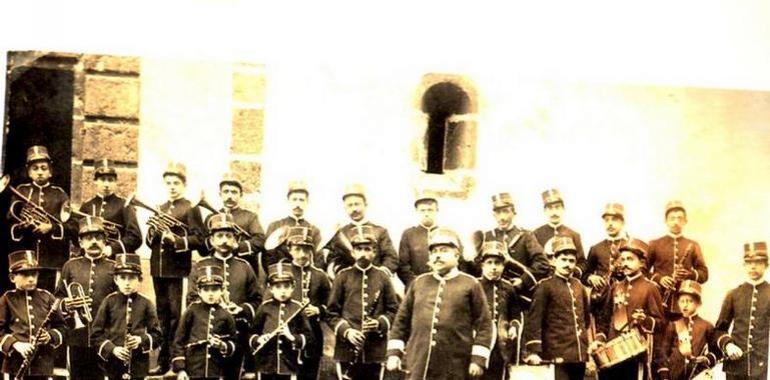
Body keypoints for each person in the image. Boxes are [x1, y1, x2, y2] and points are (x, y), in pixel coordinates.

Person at [386, 227, 494, 379]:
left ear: (457, 255)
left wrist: (478, 359)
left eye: (443, 251)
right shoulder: (418, 283)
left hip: (455, 364)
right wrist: (394, 353)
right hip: (418, 363)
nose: (437, 256)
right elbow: (401, 321)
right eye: (434, 252)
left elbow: (484, 325)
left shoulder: (471, 284)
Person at [145, 161, 206, 375]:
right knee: (161, 316)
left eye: (176, 183)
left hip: (178, 270)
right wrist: (152, 231)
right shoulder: (160, 208)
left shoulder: (190, 208)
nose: (172, 187)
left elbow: (199, 238)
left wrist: (177, 241)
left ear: (183, 185)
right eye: (168, 183)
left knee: (175, 316)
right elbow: (149, 242)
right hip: (158, 269)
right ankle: (162, 361)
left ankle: (175, 362)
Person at [188, 213, 262, 380]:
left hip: (237, 335)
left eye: (228, 236)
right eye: (219, 236)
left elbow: (257, 300)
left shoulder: (245, 267)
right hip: (205, 334)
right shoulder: (200, 266)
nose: (224, 240)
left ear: (235, 240)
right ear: (212, 240)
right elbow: (192, 298)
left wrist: (241, 309)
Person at [326, 225, 400, 380]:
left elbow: (393, 310)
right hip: (347, 348)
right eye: (359, 249)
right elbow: (331, 313)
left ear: (374, 252)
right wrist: (347, 331)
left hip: (375, 349)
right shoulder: (342, 277)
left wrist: (380, 323)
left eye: (368, 249)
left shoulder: (383, 277)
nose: (363, 253)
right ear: (353, 252)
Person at [55, 216, 117, 380]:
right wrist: (66, 305)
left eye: (98, 238)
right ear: (81, 243)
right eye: (88, 238)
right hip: (77, 337)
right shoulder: (70, 266)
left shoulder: (114, 267)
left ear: (105, 242)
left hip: (106, 338)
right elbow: (58, 297)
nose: (94, 242)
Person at [523, 236, 591, 380]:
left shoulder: (579, 286)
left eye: (571, 261)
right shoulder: (545, 286)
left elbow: (585, 318)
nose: (568, 264)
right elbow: (534, 321)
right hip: (556, 355)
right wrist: (534, 351)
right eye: (563, 260)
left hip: (578, 355)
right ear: (554, 261)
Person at [594, 239, 663, 380]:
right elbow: (605, 319)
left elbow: (661, 323)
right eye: (623, 259)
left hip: (636, 353)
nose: (625, 263)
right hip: (613, 352)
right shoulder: (615, 287)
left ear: (642, 263)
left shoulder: (650, 288)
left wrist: (645, 320)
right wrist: (600, 340)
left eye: (630, 259)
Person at [90, 253, 163, 380]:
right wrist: (113, 349)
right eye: (123, 278)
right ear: (115, 280)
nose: (127, 283)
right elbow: (95, 335)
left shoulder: (146, 303)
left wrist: (140, 340)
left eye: (132, 278)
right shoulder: (109, 301)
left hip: (138, 365)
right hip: (113, 364)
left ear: (139, 280)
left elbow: (157, 335)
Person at [7, 145, 69, 291]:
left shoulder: (59, 194)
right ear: (29, 172)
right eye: (35, 168)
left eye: (43, 168)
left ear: (50, 172)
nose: (40, 172)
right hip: (25, 257)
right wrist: (22, 226)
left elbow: (71, 225)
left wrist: (51, 227)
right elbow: (11, 220)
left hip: (51, 258)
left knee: (49, 297)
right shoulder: (21, 190)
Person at [0, 250, 66, 378]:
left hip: (42, 365)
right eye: (24, 275)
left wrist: (50, 336)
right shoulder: (6, 299)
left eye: (34, 274)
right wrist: (16, 344)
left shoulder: (47, 297)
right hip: (15, 365)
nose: (31, 279)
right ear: (12, 278)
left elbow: (62, 327)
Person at [473, 192, 550, 302]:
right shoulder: (486, 237)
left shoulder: (525, 236)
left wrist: (523, 281)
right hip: (491, 296)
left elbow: (542, 263)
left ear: (513, 212)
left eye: (506, 211)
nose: (502, 217)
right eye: (498, 212)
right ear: (494, 215)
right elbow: (477, 267)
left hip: (519, 296)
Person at [714, 242, 770, 380]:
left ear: (766, 265)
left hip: (762, 366)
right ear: (744, 265)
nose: (753, 266)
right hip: (736, 365)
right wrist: (728, 345)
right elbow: (719, 330)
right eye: (749, 262)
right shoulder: (733, 294)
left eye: (758, 262)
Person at [249, 262, 313, 380]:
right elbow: (252, 333)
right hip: (266, 364)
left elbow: (308, 337)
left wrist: (291, 337)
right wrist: (259, 339)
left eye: (286, 286)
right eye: (278, 287)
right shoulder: (264, 307)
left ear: (293, 287)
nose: (282, 291)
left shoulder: (298, 308)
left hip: (289, 364)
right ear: (271, 288)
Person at [172, 264, 237, 380]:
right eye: (206, 289)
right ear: (199, 292)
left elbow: (234, 343)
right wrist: (181, 369)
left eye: (215, 289)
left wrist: (222, 345)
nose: (210, 293)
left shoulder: (226, 315)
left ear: (222, 291)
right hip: (193, 370)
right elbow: (179, 341)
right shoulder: (191, 311)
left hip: (216, 371)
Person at [647, 200, 708, 319]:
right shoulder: (654, 244)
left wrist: (689, 274)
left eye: (680, 218)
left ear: (685, 221)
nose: (676, 222)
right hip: (658, 299)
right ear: (665, 221)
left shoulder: (693, 245)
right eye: (672, 218)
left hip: (683, 303)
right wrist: (660, 279)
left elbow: (704, 274)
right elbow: (642, 271)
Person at [284, 226, 332, 380]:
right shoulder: (281, 273)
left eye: (306, 250)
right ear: (289, 249)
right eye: (297, 249)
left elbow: (331, 306)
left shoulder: (320, 276)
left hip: (312, 333)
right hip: (286, 331)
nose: (302, 254)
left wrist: (319, 310)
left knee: (309, 373)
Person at [323, 184, 398, 277]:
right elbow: (333, 260)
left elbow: (391, 257)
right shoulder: (340, 233)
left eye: (357, 204)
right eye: (350, 205)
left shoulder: (380, 231)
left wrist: (381, 273)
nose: (354, 209)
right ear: (345, 208)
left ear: (365, 205)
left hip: (377, 281)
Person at [583, 203, 648, 309]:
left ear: (622, 222)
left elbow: (644, 273)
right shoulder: (596, 248)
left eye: (614, 220)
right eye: (607, 220)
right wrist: (591, 277)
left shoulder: (633, 245)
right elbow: (585, 274)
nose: (610, 224)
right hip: (602, 300)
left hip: (627, 298)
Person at [73, 158, 141, 257]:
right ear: (95, 181)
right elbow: (77, 235)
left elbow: (135, 237)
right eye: (102, 180)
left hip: (115, 259)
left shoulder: (124, 205)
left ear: (116, 182)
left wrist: (112, 248)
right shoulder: (86, 206)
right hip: (90, 260)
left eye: (110, 180)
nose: (106, 184)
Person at [205, 172, 266, 280]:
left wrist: (238, 246)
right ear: (220, 194)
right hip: (217, 267)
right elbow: (204, 245)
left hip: (244, 269)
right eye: (226, 192)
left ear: (240, 195)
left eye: (234, 192)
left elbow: (260, 240)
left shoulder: (250, 217)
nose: (229, 196)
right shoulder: (212, 217)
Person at [654, 280, 720, 380]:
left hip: (696, 374)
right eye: (682, 301)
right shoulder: (673, 325)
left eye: (689, 301)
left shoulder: (707, 326)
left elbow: (716, 350)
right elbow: (663, 352)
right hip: (673, 374)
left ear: (699, 303)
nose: (685, 305)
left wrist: (707, 358)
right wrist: (664, 375)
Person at [477, 241, 522, 379]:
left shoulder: (508, 288)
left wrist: (513, 327)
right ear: (482, 265)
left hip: (501, 345)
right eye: (489, 263)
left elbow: (515, 314)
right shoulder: (474, 286)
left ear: (503, 266)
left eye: (497, 263)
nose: (493, 267)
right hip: (478, 342)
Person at [263, 180, 322, 272]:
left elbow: (318, 258)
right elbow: (267, 256)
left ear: (307, 202)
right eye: (294, 199)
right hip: (282, 277)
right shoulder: (275, 226)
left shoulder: (314, 230)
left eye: (301, 200)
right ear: (288, 201)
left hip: (306, 275)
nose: (298, 204)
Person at [532, 189, 586, 278]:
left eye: (557, 207)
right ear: (545, 210)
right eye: (550, 208)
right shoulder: (536, 234)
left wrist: (574, 271)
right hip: (543, 282)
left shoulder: (574, 235)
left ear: (563, 209)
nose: (554, 212)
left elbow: (582, 262)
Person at [396, 191, 440, 288]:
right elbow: (403, 266)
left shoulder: (446, 233)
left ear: (437, 210)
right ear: (417, 212)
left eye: (430, 210)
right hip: (417, 286)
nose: (426, 214)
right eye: (422, 210)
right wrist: (414, 284)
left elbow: (459, 262)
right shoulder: (409, 234)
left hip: (444, 286)